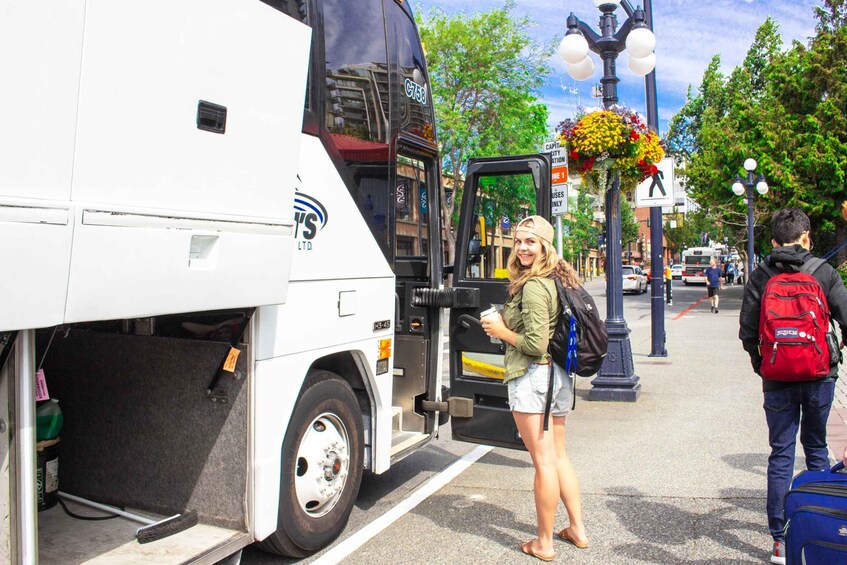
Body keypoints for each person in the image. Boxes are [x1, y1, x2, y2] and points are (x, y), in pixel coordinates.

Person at [739, 207, 847, 565]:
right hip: (819, 376)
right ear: (806, 237)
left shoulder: (760, 275)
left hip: (777, 378)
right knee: (816, 449)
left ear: (772, 242)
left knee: (781, 454)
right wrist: (832, 354)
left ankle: (779, 541)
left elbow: (748, 331)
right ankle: (817, 528)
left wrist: (764, 367)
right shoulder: (824, 271)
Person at [481, 215, 588, 561]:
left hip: (534, 378)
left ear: (545, 245)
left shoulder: (533, 286)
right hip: (556, 378)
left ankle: (544, 543)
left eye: (532, 241)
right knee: (558, 456)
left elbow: (534, 342)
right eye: (520, 241)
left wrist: (500, 330)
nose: (524, 247)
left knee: (543, 462)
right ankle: (577, 529)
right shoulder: (554, 278)